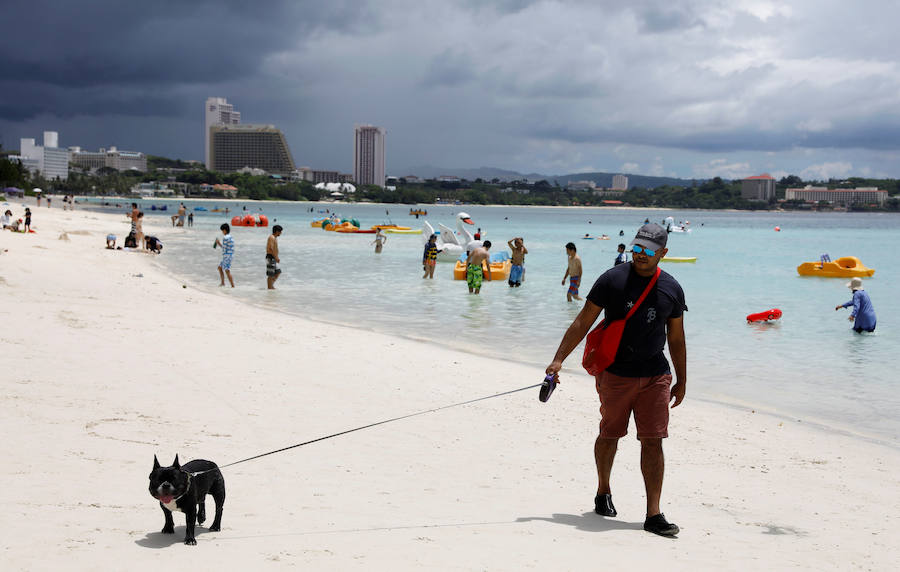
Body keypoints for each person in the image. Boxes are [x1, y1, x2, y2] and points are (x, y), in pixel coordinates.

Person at [545, 223, 687, 538]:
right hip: (616, 376)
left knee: (653, 440)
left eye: (648, 251)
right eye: (637, 248)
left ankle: (653, 513)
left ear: (663, 254)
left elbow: (676, 338)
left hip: (655, 376)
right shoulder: (612, 280)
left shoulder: (671, 289)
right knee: (610, 435)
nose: (640, 255)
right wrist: (558, 359)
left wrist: (682, 379)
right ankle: (603, 490)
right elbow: (584, 320)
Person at [215, 223, 235, 288]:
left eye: (222, 230)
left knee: (227, 270)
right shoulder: (231, 237)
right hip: (230, 255)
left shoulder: (225, 238)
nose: (222, 232)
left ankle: (232, 286)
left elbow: (224, 248)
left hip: (227, 256)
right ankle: (223, 283)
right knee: (220, 268)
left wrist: (218, 243)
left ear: (225, 230)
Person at [266, 225, 283, 289]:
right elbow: (271, 248)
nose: (281, 233)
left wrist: (276, 257)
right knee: (271, 274)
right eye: (280, 231)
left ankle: (271, 286)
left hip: (274, 257)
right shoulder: (272, 237)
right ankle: (269, 288)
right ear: (277, 231)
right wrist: (276, 257)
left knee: (278, 272)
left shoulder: (275, 238)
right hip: (270, 257)